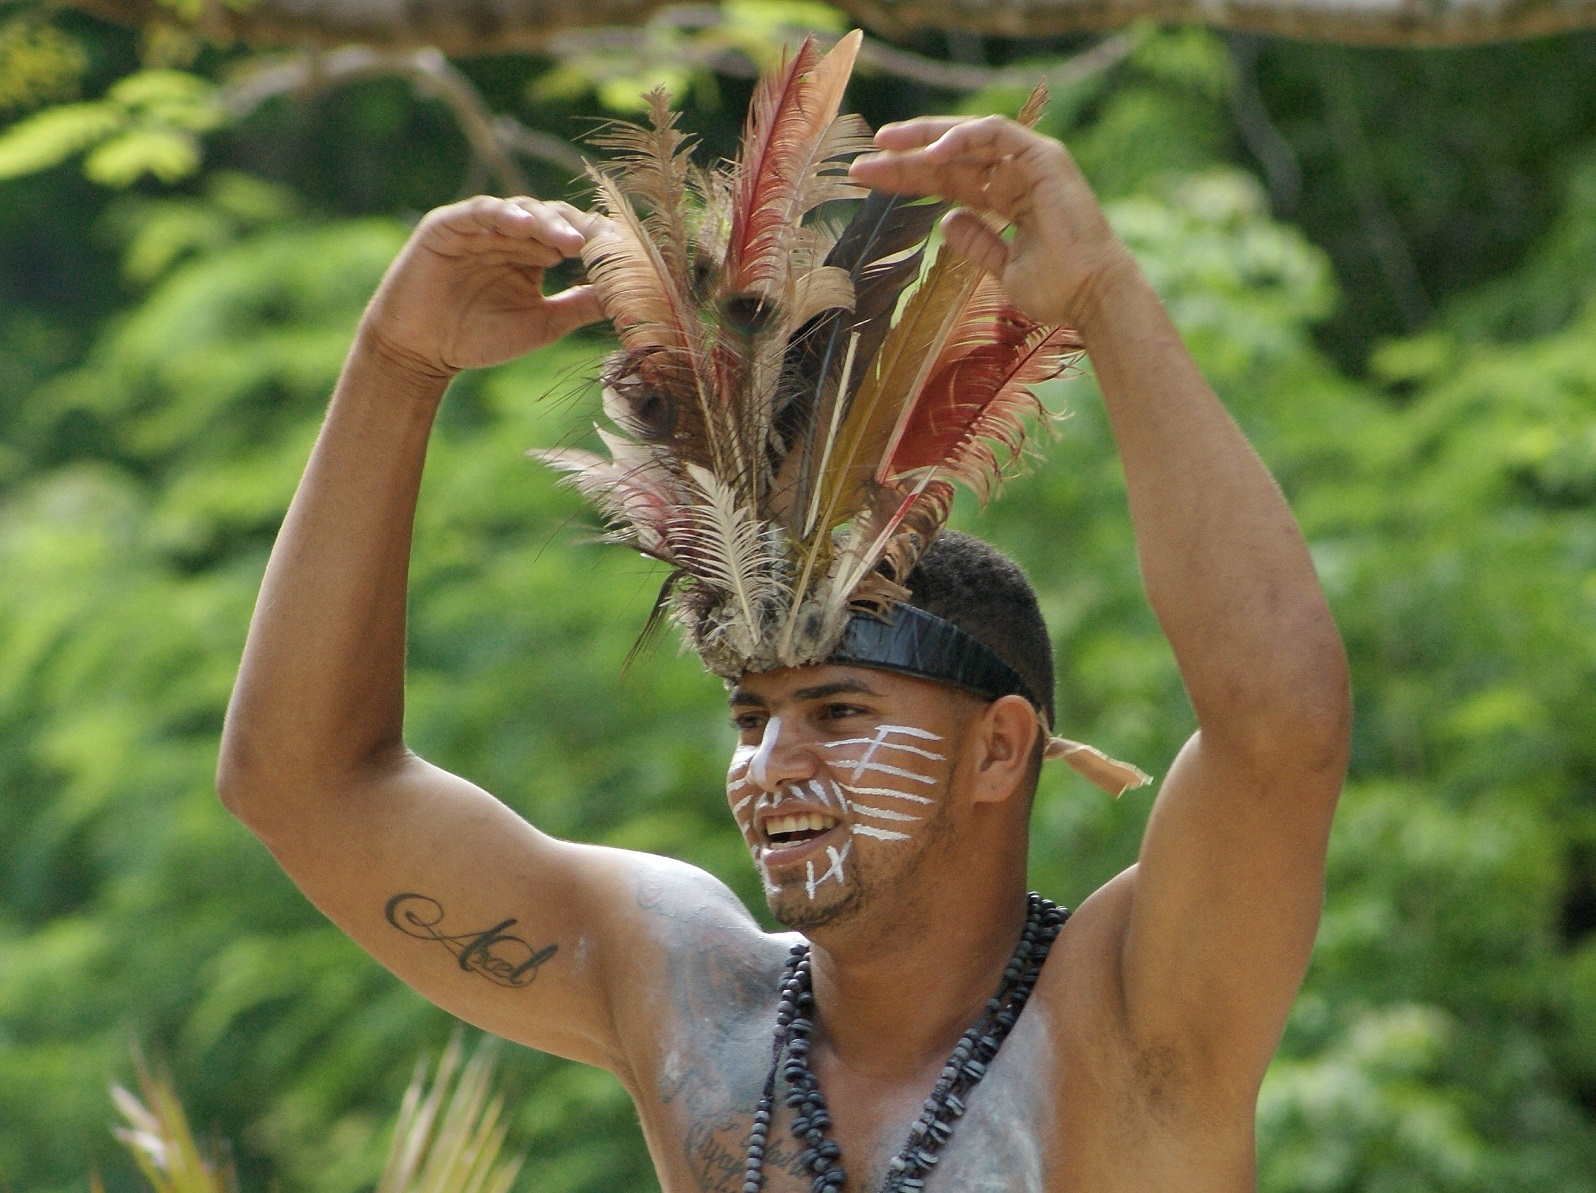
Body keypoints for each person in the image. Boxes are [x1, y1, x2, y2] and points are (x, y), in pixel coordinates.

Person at [218, 100, 1351, 1191]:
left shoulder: (1136, 1012)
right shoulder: (693, 1000)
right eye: (752, 717)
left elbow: (1280, 727)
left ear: (1000, 749)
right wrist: (396, 364)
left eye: (839, 711)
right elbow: (304, 786)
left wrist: (1103, 296)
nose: (771, 766)